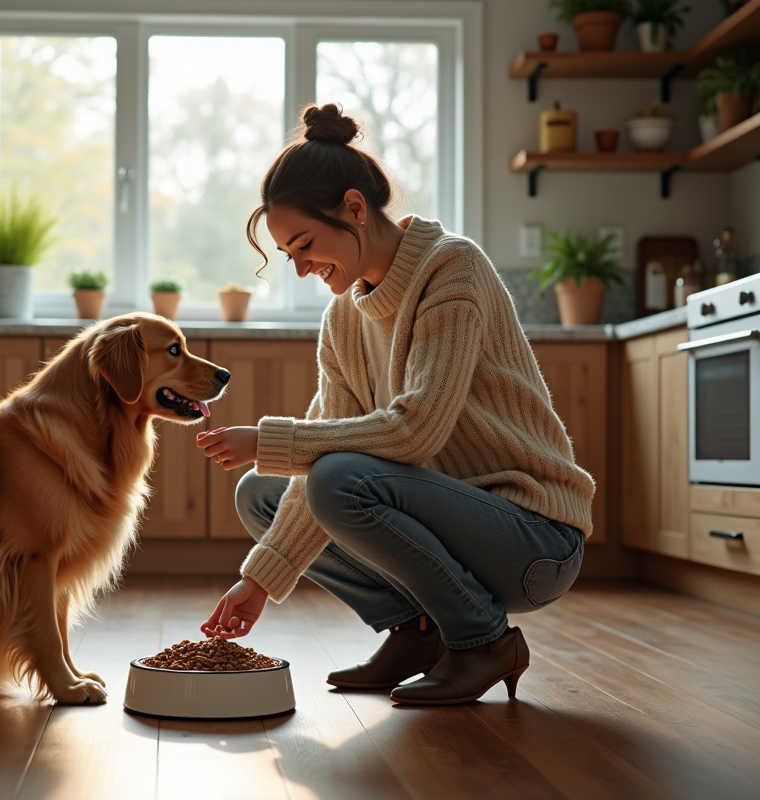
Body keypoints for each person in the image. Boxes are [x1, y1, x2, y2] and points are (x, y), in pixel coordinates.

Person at [194, 104, 594, 705]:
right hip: (454, 524)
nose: (300, 268)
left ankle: (484, 641)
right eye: (289, 255)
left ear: (355, 208)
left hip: (533, 538)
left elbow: (416, 432)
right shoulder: (343, 319)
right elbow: (329, 452)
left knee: (334, 476)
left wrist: (272, 440)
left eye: (305, 245)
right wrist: (257, 581)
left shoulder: (451, 269)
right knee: (262, 492)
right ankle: (419, 630)